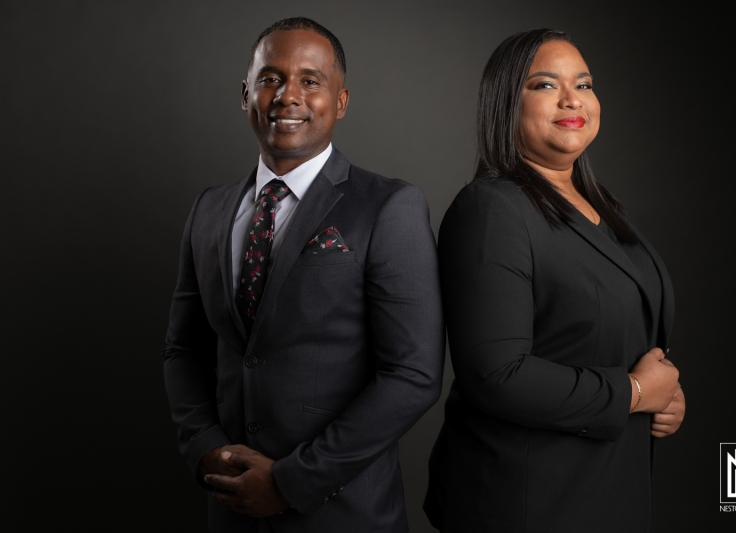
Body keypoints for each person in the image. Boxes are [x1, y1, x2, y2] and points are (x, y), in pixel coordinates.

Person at [162, 17, 444, 533]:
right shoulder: (208, 209)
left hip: (342, 513)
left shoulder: (389, 207)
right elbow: (184, 349)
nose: (288, 95)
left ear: (340, 101)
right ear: (245, 93)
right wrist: (204, 449)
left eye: (310, 80)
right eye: (270, 78)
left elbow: (413, 374)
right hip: (231, 509)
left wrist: (292, 481)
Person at [424, 29, 685, 532]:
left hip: (605, 489)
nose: (572, 99)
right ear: (506, 103)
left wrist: (665, 395)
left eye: (584, 85)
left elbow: (610, 331)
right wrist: (632, 392)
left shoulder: (603, 207)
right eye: (545, 85)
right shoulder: (492, 209)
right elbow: (497, 376)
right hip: (527, 503)